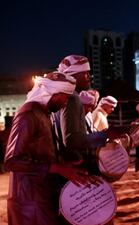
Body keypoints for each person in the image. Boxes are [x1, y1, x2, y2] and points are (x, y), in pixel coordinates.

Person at [5, 72, 97, 225]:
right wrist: (57, 168)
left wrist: (63, 165)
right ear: (54, 94)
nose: (66, 103)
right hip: (29, 204)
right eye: (65, 97)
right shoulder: (28, 115)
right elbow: (12, 161)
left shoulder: (42, 113)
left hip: (43, 197)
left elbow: (41, 152)